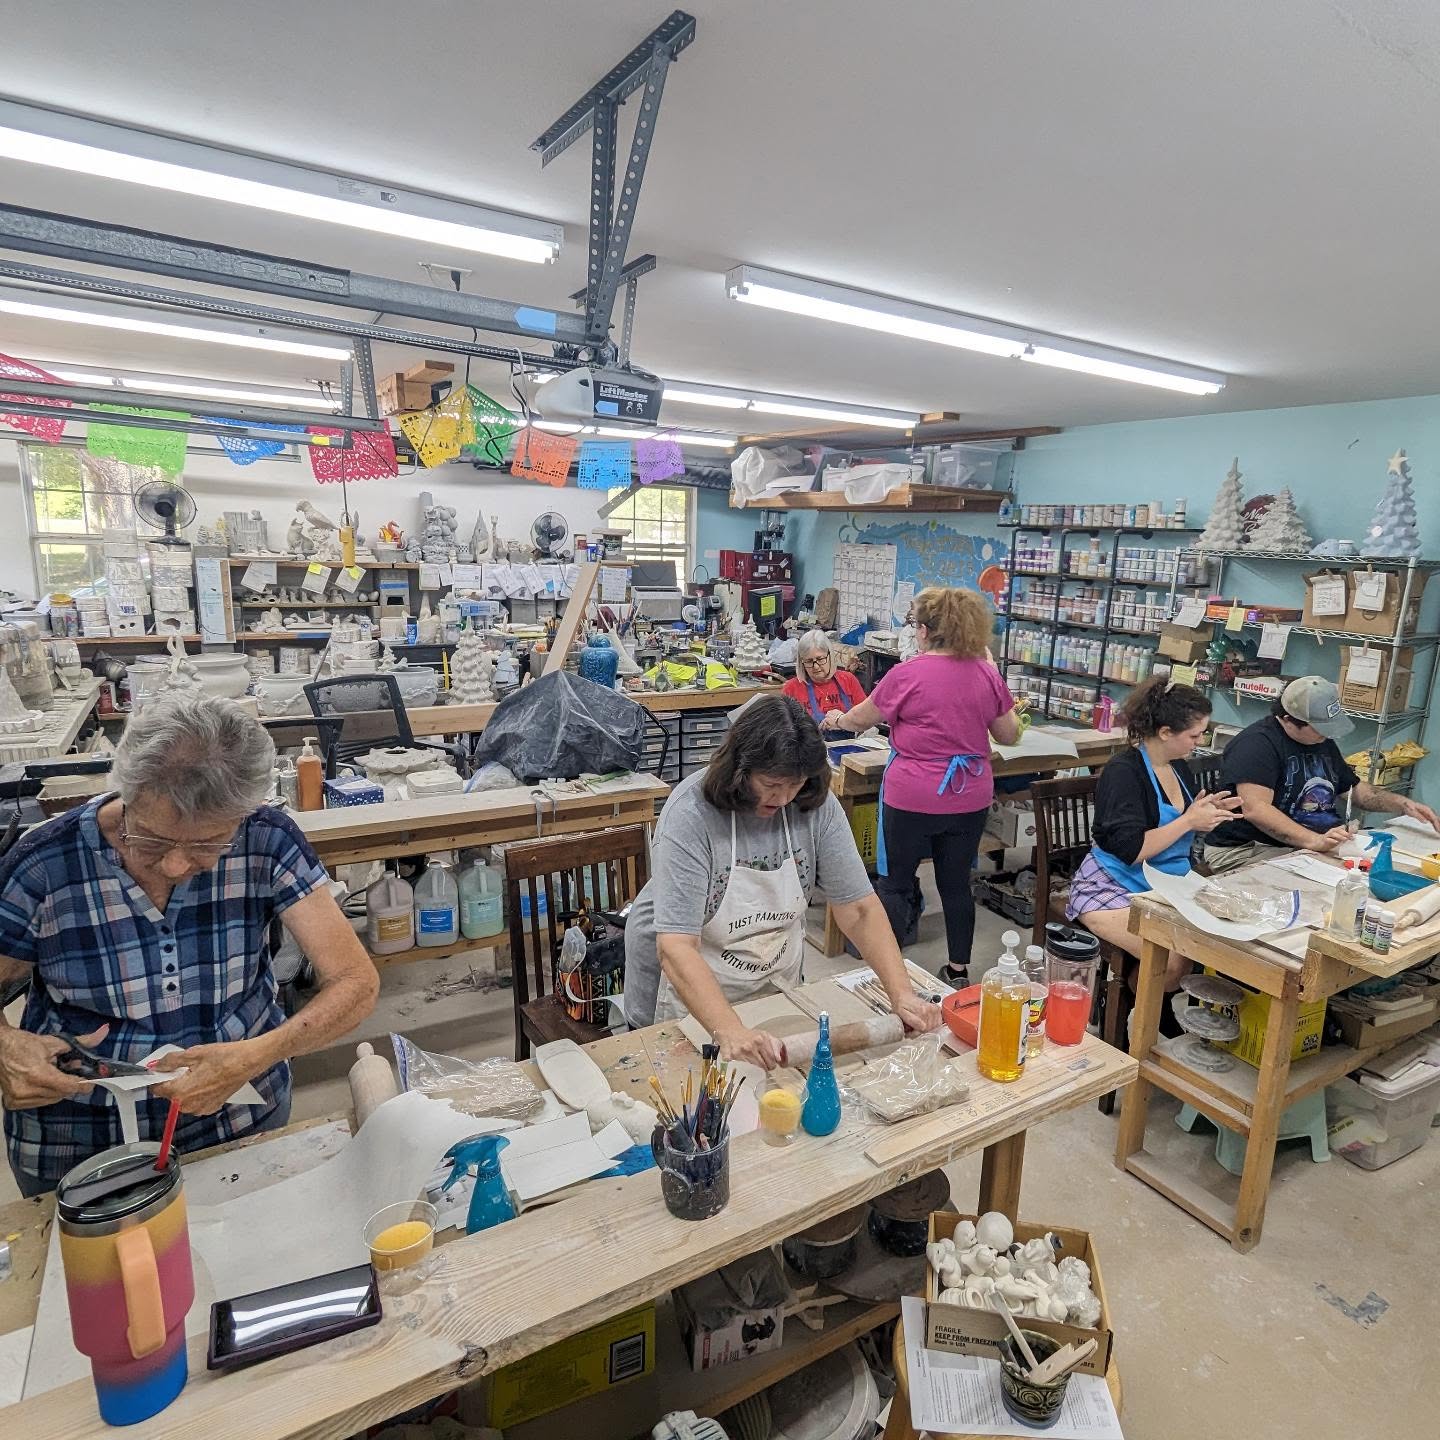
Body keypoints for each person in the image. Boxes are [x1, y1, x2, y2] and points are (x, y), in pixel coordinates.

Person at [0, 694, 379, 1196]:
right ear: (127, 796)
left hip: (238, 1118)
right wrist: (5, 1048)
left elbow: (355, 983)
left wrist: (254, 1055)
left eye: (208, 845)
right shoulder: (45, 863)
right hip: (81, 1140)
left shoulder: (266, 840)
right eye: (152, 841)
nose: (177, 866)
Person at [623, 694, 941, 1067]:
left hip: (771, 980)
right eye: (771, 783)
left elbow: (858, 908)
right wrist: (729, 1028)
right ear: (738, 770)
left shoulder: (812, 805)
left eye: (795, 784)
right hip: (685, 989)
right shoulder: (691, 815)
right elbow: (676, 947)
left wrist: (901, 993)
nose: (784, 796)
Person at [823, 587, 1021, 985]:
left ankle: (890, 974)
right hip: (968, 796)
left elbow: (861, 720)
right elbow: (1009, 733)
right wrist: (994, 671)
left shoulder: (907, 673)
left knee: (896, 883)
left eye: (915, 625)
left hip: (912, 795)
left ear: (927, 630)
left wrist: (836, 718)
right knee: (955, 884)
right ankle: (959, 971)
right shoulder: (985, 673)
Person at [1066, 679, 1241, 988]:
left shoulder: (1179, 768)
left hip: (1166, 882)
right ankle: (1131, 1020)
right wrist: (1188, 822)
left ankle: (1154, 1013)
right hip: (1112, 885)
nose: (1199, 742)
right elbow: (1132, 851)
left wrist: (1206, 813)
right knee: (1171, 958)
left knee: (1219, 936)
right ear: (1164, 733)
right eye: (1194, 735)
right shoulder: (1124, 773)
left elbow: (1181, 826)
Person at [1204, 676, 1440, 872]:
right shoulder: (1257, 745)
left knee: (1383, 871)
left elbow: (1354, 789)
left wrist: (1402, 804)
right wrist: (1314, 841)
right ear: (1288, 720)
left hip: (1308, 844)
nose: (1327, 736)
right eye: (1320, 729)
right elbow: (1256, 809)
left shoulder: (1320, 741)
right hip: (1247, 849)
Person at [781, 631, 867, 724]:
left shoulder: (848, 680)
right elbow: (785, 728)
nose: (816, 666)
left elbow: (865, 717)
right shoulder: (791, 688)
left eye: (820, 659)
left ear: (829, 656)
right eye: (809, 661)